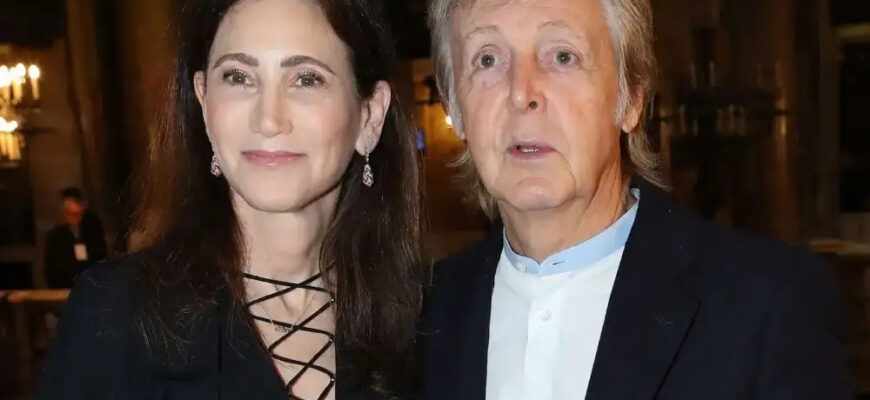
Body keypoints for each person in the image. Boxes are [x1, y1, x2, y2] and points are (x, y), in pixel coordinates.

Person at [420, 0, 852, 399]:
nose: (522, 93)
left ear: (631, 99)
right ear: (455, 106)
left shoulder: (767, 307)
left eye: (563, 56)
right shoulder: (417, 316)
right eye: (487, 59)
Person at [36, 0, 424, 399]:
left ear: (369, 116)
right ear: (204, 103)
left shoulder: (426, 321)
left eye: (307, 79)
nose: (268, 120)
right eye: (238, 77)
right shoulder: (113, 313)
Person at [43, 187, 107, 288]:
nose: (75, 218)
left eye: (78, 214)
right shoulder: (55, 236)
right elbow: (52, 270)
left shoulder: (92, 229)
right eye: (70, 214)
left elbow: (101, 258)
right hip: (65, 287)